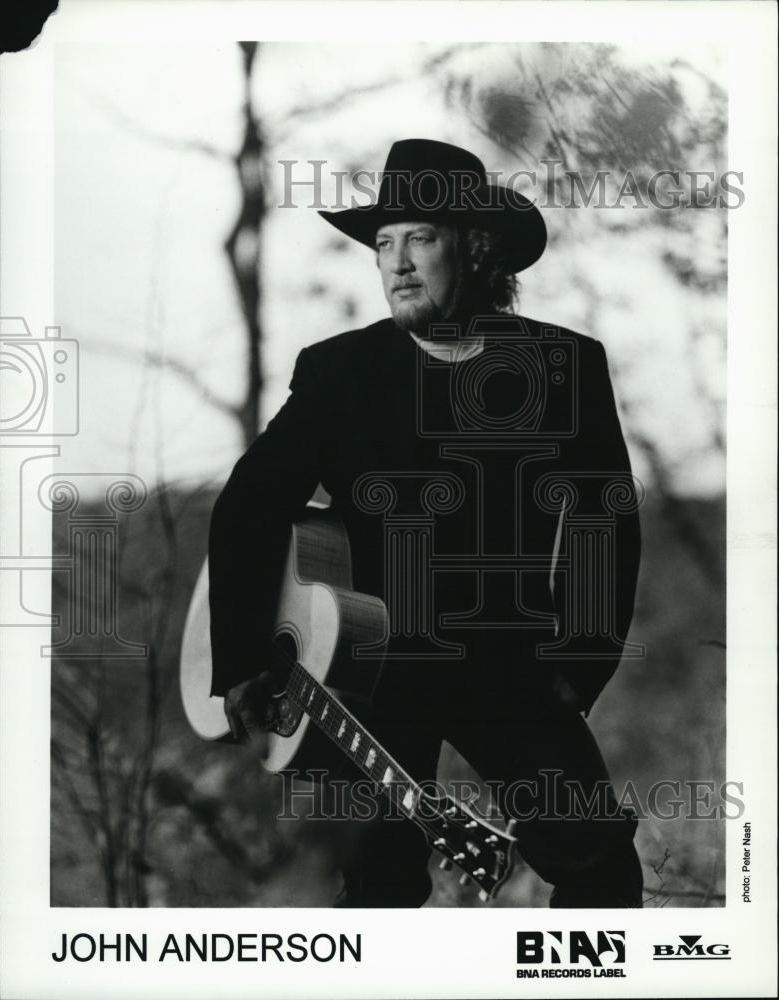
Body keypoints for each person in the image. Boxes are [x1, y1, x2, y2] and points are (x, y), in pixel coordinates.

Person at [208, 138, 643, 907]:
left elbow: (603, 524)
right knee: (376, 888)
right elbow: (251, 503)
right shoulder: (339, 371)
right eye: (383, 243)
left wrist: (579, 663)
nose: (397, 262)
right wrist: (244, 656)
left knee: (598, 862)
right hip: (363, 668)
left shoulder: (563, 366)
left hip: (511, 664)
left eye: (420, 237)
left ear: (476, 251)